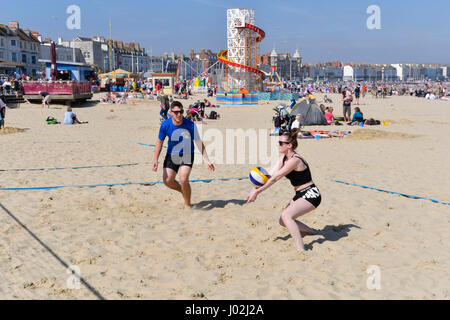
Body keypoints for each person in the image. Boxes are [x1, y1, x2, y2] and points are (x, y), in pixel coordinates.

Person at [247, 129, 321, 252]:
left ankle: (301, 249)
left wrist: (257, 193)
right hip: (300, 194)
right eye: (278, 142)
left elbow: (276, 178)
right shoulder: (283, 157)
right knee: (283, 221)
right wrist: (256, 187)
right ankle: (312, 231)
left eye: (281, 143)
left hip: (311, 193)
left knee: (287, 216)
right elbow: (271, 174)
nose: (278, 145)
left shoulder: (294, 160)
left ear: (289, 145)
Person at [152, 101, 215, 208]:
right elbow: (159, 142)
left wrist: (207, 159)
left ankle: (187, 206)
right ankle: (183, 190)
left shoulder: (190, 125)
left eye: (181, 111)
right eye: (176, 112)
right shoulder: (165, 125)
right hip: (172, 154)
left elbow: (199, 142)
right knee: (167, 181)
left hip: (187, 154)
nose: (179, 114)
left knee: (183, 179)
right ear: (171, 113)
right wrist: (155, 159)